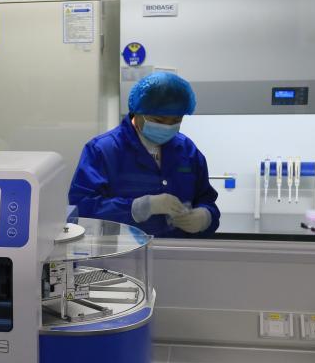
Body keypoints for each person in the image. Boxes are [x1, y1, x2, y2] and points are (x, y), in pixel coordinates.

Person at [69, 71, 220, 238]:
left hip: (179, 249)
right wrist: (139, 207)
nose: (167, 127)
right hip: (124, 250)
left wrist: (206, 217)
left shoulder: (186, 150)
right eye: (159, 120)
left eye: (176, 121)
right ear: (137, 112)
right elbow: (81, 208)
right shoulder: (103, 150)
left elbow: (206, 199)